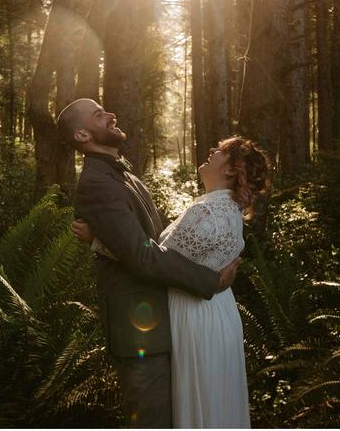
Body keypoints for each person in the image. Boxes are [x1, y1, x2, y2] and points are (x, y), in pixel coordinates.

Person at [56, 98, 241, 428]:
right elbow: (143, 257)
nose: (112, 113)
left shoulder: (124, 175)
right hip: (141, 332)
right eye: (99, 114)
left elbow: (153, 242)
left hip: (169, 319)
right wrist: (210, 282)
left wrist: (101, 242)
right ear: (82, 135)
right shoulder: (98, 183)